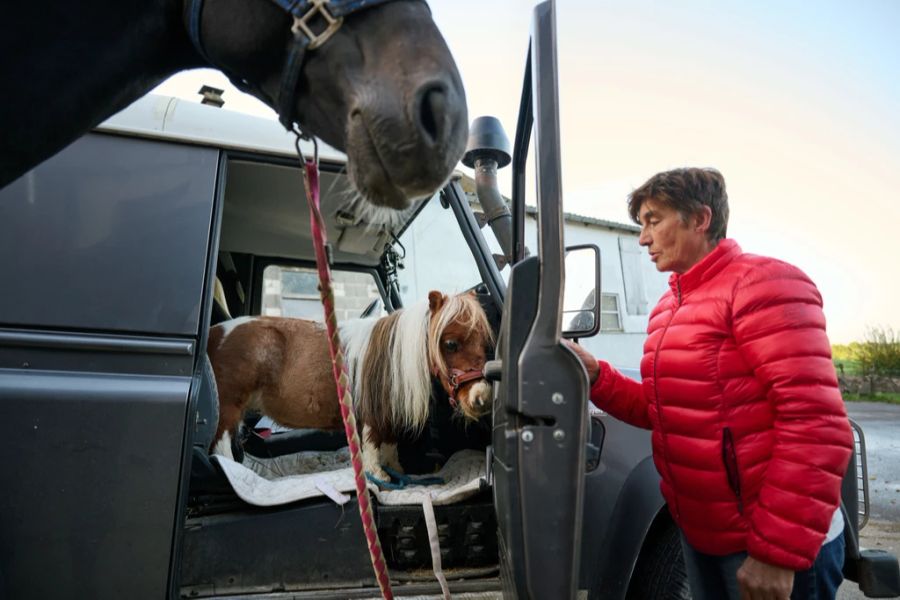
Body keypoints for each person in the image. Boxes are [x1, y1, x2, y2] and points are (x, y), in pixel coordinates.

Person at [568, 167, 853, 600]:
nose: (643, 238)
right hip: (702, 535)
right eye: (641, 224)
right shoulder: (669, 307)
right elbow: (664, 410)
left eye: (653, 220)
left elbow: (815, 424)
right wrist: (596, 376)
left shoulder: (763, 283)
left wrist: (776, 552)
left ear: (700, 219)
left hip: (766, 543)